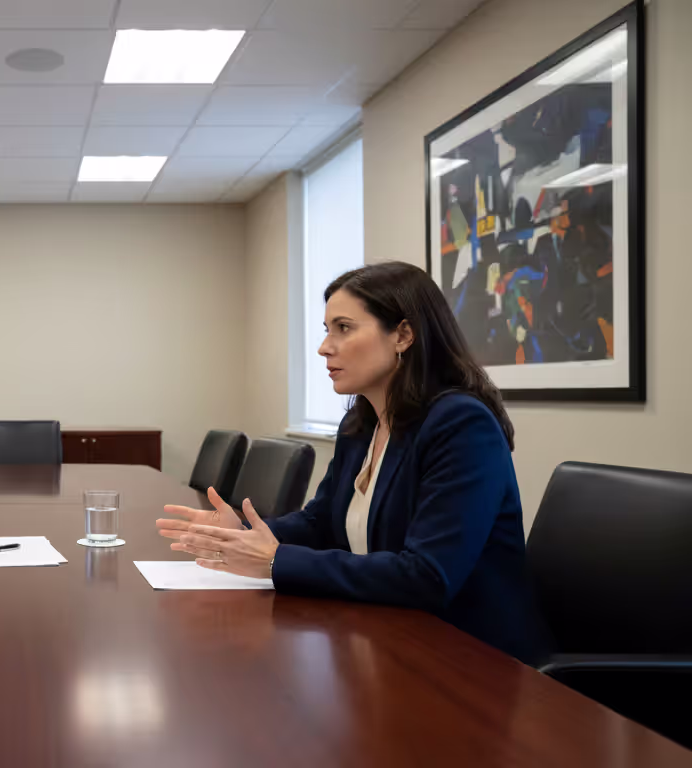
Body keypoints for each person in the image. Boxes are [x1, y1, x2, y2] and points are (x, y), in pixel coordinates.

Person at [157, 262, 551, 664]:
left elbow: (428, 577)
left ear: (403, 334)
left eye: (343, 328)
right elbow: (321, 522)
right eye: (328, 330)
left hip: (470, 657)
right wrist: (240, 534)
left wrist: (275, 560)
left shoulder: (461, 425)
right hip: (388, 637)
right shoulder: (361, 423)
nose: (325, 347)